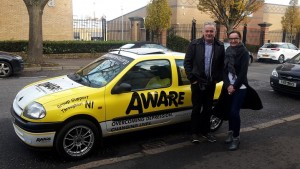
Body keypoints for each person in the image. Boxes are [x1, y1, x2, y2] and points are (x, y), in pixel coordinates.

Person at [184, 21, 225, 143]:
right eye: (207, 31)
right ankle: (194, 133)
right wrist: (192, 79)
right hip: (197, 83)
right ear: (203, 32)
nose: (209, 33)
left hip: (210, 83)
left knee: (208, 109)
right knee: (196, 109)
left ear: (215, 32)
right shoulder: (194, 44)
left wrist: (218, 79)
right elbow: (187, 63)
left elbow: (222, 65)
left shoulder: (219, 46)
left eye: (211, 31)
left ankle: (206, 132)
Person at [222, 30, 263, 150]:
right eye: (231, 38)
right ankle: (230, 133)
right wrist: (228, 85)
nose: (233, 41)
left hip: (240, 87)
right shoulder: (228, 51)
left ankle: (236, 137)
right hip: (229, 86)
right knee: (229, 111)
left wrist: (234, 87)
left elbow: (242, 73)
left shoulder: (244, 53)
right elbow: (224, 71)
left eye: (236, 38)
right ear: (228, 40)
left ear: (240, 39)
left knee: (235, 112)